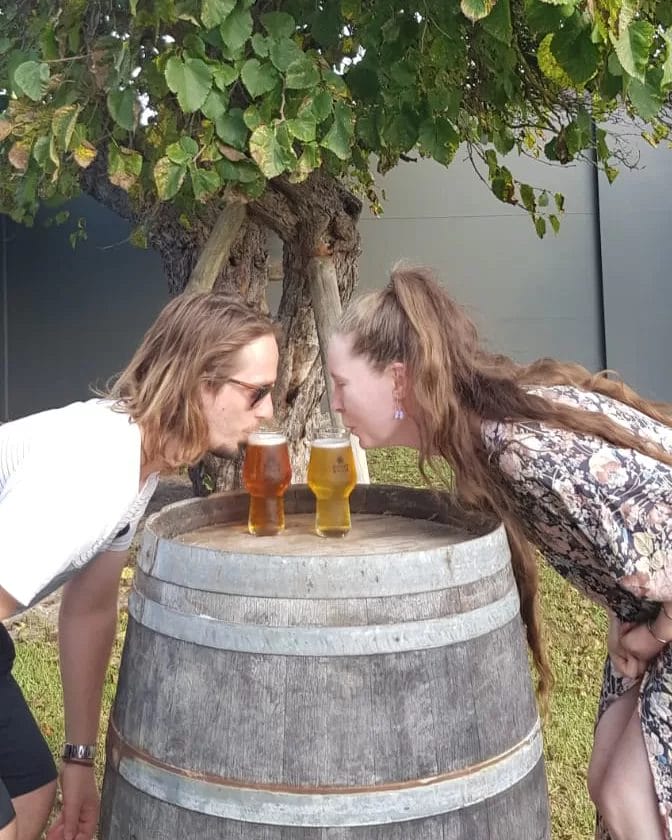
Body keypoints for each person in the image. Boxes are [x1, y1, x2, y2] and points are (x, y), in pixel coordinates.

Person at [327, 263, 672, 840]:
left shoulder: (515, 447)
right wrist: (627, 619)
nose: (335, 403)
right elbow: (629, 536)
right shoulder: (488, 430)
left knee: (627, 795)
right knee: (607, 780)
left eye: (341, 384)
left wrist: (654, 633)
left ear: (398, 379)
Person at [0, 292, 279, 840]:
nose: (268, 411)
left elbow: (90, 608)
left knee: (29, 796)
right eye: (258, 393)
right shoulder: (94, 471)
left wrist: (79, 760)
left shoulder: (139, 461)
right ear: (200, 383)